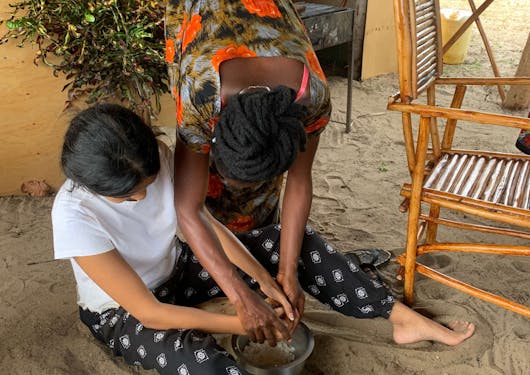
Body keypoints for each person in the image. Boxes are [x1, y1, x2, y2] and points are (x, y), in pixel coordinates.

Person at [52, 104, 474, 374]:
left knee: (289, 243)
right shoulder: (74, 216)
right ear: (86, 184)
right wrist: (242, 320)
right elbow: (151, 313)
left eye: (145, 185)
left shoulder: (156, 157)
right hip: (126, 313)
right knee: (204, 363)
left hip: (179, 270)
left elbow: (204, 223)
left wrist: (265, 279)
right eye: (128, 196)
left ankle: (399, 318)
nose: (142, 197)